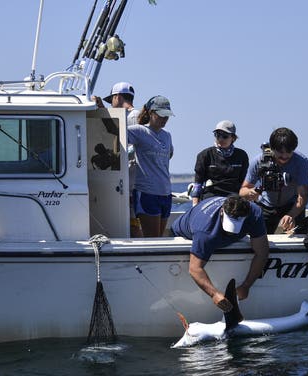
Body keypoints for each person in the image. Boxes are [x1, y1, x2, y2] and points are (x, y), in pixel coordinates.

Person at [171, 194, 269, 312]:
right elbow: (194, 269)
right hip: (181, 233)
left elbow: (262, 252)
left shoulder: (254, 212)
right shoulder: (205, 230)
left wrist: (246, 285)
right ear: (222, 212)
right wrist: (214, 294)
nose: (232, 232)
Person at [93, 82, 143, 236]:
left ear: (118, 97)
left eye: (112, 100)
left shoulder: (134, 117)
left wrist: (101, 109)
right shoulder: (133, 116)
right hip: (129, 177)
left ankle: (139, 249)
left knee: (133, 218)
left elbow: (115, 131)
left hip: (133, 178)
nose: (112, 105)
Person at [239, 127, 308, 234]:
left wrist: (291, 215)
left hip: (292, 205)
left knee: (297, 236)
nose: (285, 156)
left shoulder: (301, 161)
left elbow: (303, 196)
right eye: (280, 152)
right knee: (256, 236)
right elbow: (242, 191)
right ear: (272, 148)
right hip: (265, 207)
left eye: (289, 152)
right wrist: (250, 193)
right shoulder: (258, 162)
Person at [128, 95, 174, 237]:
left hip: (166, 193)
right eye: (161, 115)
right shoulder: (139, 131)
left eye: (167, 116)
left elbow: (169, 155)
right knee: (153, 239)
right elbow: (112, 134)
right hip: (147, 193)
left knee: (159, 239)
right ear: (150, 113)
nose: (164, 119)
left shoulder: (167, 135)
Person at [190, 120, 249, 206]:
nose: (220, 139)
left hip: (234, 198)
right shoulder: (205, 155)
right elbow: (198, 183)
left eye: (224, 136)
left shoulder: (242, 155)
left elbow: (244, 182)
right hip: (211, 197)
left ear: (233, 138)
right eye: (217, 135)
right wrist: (195, 205)